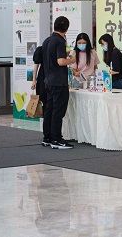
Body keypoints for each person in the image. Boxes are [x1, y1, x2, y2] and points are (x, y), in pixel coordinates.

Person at [41, 16, 76, 149]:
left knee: (49, 109)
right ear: (66, 28)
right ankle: (56, 139)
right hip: (59, 81)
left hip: (48, 80)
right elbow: (60, 61)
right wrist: (72, 60)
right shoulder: (60, 41)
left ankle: (47, 137)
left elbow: (51, 58)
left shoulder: (47, 40)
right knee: (58, 110)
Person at [30, 45, 47, 113]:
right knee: (44, 99)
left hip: (49, 77)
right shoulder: (42, 49)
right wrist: (34, 80)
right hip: (43, 77)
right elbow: (36, 64)